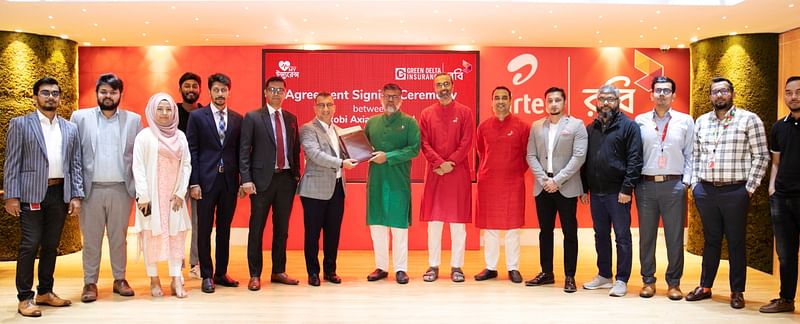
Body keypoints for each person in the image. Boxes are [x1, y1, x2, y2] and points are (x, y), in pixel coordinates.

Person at [686, 77, 769, 309]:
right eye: (715, 92)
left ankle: (737, 291)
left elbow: (761, 156)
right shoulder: (702, 122)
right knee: (710, 241)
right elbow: (695, 155)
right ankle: (705, 286)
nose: (719, 96)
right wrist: (695, 184)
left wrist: (748, 189)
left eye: (723, 91)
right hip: (706, 190)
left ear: (732, 93)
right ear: (710, 96)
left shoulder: (748, 120)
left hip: (736, 191)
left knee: (735, 242)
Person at [4, 77, 83, 317]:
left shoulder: (70, 128)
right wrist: (11, 196)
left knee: (51, 245)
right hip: (31, 194)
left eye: (55, 93)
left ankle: (45, 291)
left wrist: (76, 195)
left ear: (60, 97)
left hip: (59, 193)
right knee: (30, 244)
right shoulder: (20, 124)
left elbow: (75, 165)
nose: (51, 97)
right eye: (45, 92)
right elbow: (12, 162)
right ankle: (25, 297)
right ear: (35, 96)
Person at [71, 73, 142, 302]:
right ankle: (90, 282)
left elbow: (138, 158)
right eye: (104, 91)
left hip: (121, 189)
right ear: (97, 93)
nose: (108, 96)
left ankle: (119, 279)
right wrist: (75, 192)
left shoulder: (133, 120)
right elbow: (73, 158)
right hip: (91, 190)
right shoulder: (80, 118)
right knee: (91, 238)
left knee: (118, 237)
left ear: (120, 94)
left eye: (113, 92)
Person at [632, 76, 693, 300]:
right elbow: (635, 154)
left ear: (673, 95)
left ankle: (674, 283)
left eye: (667, 91)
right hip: (646, 186)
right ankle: (648, 281)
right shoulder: (639, 121)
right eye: (658, 90)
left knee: (674, 237)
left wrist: (685, 182)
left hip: (673, 185)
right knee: (646, 237)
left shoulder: (685, 121)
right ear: (651, 94)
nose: (662, 94)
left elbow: (691, 154)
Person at [580, 84, 643, 297]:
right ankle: (605, 276)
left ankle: (622, 279)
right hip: (596, 193)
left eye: (610, 99)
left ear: (618, 101)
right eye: (602, 99)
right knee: (601, 235)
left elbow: (635, 160)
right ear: (596, 102)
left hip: (618, 193)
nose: (606, 103)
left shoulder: (629, 127)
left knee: (622, 237)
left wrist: (627, 188)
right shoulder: (591, 128)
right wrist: (584, 188)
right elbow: (585, 160)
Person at [240, 76, 301, 290]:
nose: (277, 93)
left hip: (286, 180)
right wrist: (246, 179)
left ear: (286, 93)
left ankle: (278, 271)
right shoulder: (253, 117)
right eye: (273, 90)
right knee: (257, 228)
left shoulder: (291, 118)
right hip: (261, 181)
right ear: (265, 92)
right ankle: (255, 274)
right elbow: (244, 151)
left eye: (281, 90)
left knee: (282, 229)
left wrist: (296, 177)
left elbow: (295, 150)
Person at [525, 87, 587, 293]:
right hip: (543, 187)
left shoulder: (577, 125)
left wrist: (557, 181)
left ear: (564, 102)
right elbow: (530, 155)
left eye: (557, 100)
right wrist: (544, 180)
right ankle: (547, 273)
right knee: (545, 232)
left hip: (566, 187)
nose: (553, 104)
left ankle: (570, 276)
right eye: (550, 100)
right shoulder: (536, 126)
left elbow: (579, 157)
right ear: (545, 103)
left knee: (570, 232)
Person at [186, 73, 243, 293]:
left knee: (224, 229)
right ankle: (206, 275)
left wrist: (240, 180)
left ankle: (221, 273)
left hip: (229, 181)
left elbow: (239, 152)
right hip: (205, 182)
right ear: (209, 91)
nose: (220, 94)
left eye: (224, 90)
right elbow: (193, 150)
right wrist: (194, 182)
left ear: (229, 91)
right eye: (216, 90)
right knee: (204, 230)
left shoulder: (238, 118)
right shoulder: (198, 117)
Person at [132, 92, 192, 298]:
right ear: (152, 110)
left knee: (176, 236)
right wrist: (143, 196)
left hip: (173, 197)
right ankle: (154, 279)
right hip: (151, 197)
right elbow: (138, 167)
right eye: (160, 109)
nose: (165, 113)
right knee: (152, 237)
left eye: (168, 109)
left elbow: (186, 165)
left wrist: (180, 192)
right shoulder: (145, 136)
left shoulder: (181, 136)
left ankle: (176, 279)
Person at [419, 72, 475, 283]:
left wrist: (449, 163)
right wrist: (439, 163)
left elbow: (467, 142)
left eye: (446, 84)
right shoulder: (426, 113)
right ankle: (433, 265)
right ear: (434, 88)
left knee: (457, 224)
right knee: (434, 223)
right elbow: (424, 143)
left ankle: (456, 266)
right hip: (435, 173)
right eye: (438, 84)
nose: (443, 87)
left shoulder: (465, 112)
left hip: (457, 172)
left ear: (452, 85)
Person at [298, 93, 358, 286]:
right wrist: (341, 162)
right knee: (313, 234)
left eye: (329, 105)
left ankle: (330, 271)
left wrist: (363, 151)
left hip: (338, 189)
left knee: (333, 233)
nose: (326, 109)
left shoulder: (340, 131)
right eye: (321, 105)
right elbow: (315, 154)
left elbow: (353, 152)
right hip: (314, 190)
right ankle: (313, 272)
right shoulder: (308, 129)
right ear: (315, 108)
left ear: (334, 108)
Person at [365, 83, 421, 284]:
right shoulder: (372, 123)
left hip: (398, 181)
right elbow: (362, 148)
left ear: (401, 99)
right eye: (387, 96)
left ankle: (400, 269)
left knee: (399, 226)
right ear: (380, 97)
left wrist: (387, 156)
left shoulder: (410, 123)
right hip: (377, 181)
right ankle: (381, 267)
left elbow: (414, 149)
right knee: (377, 225)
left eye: (395, 97)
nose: (391, 100)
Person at [474, 86, 529, 284]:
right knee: (490, 227)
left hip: (513, 182)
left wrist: (513, 172)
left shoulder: (522, 126)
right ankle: (491, 267)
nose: (500, 101)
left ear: (510, 101)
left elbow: (526, 156)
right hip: (489, 182)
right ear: (491, 102)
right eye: (496, 98)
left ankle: (513, 267)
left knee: (513, 227)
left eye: (504, 98)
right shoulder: (483, 127)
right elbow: (481, 151)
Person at [760, 76, 800, 313]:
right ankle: (786, 299)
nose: (793, 97)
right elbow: (776, 162)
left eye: (798, 92)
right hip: (782, 198)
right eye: (788, 92)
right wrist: (772, 188)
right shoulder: (779, 126)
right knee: (785, 254)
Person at [176, 72, 203, 280]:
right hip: (175, 175)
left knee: (198, 221)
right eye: (187, 86)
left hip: (199, 175)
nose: (191, 89)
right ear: (180, 89)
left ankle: (196, 262)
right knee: (176, 220)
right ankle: (177, 260)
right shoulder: (171, 112)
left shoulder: (204, 114)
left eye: (195, 86)